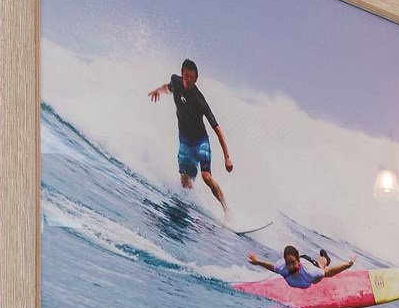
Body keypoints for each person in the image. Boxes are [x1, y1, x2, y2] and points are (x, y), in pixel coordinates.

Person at [147, 59, 233, 217]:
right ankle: (194, 211)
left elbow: (217, 128)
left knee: (206, 176)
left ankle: (226, 209)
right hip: (185, 142)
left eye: (192, 77)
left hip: (201, 142)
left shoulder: (199, 99)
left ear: (196, 78)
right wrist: (157, 91)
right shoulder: (176, 81)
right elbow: (168, 88)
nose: (188, 80)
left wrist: (227, 157)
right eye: (186, 75)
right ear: (182, 74)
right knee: (185, 184)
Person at [246, 244, 356, 289]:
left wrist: (348, 265)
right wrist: (257, 262)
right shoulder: (282, 267)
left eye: (293, 262)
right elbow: (270, 266)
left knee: (322, 265)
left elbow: (331, 272)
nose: (291, 266)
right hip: (302, 264)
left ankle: (325, 257)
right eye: (288, 263)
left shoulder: (311, 271)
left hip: (308, 263)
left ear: (298, 261)